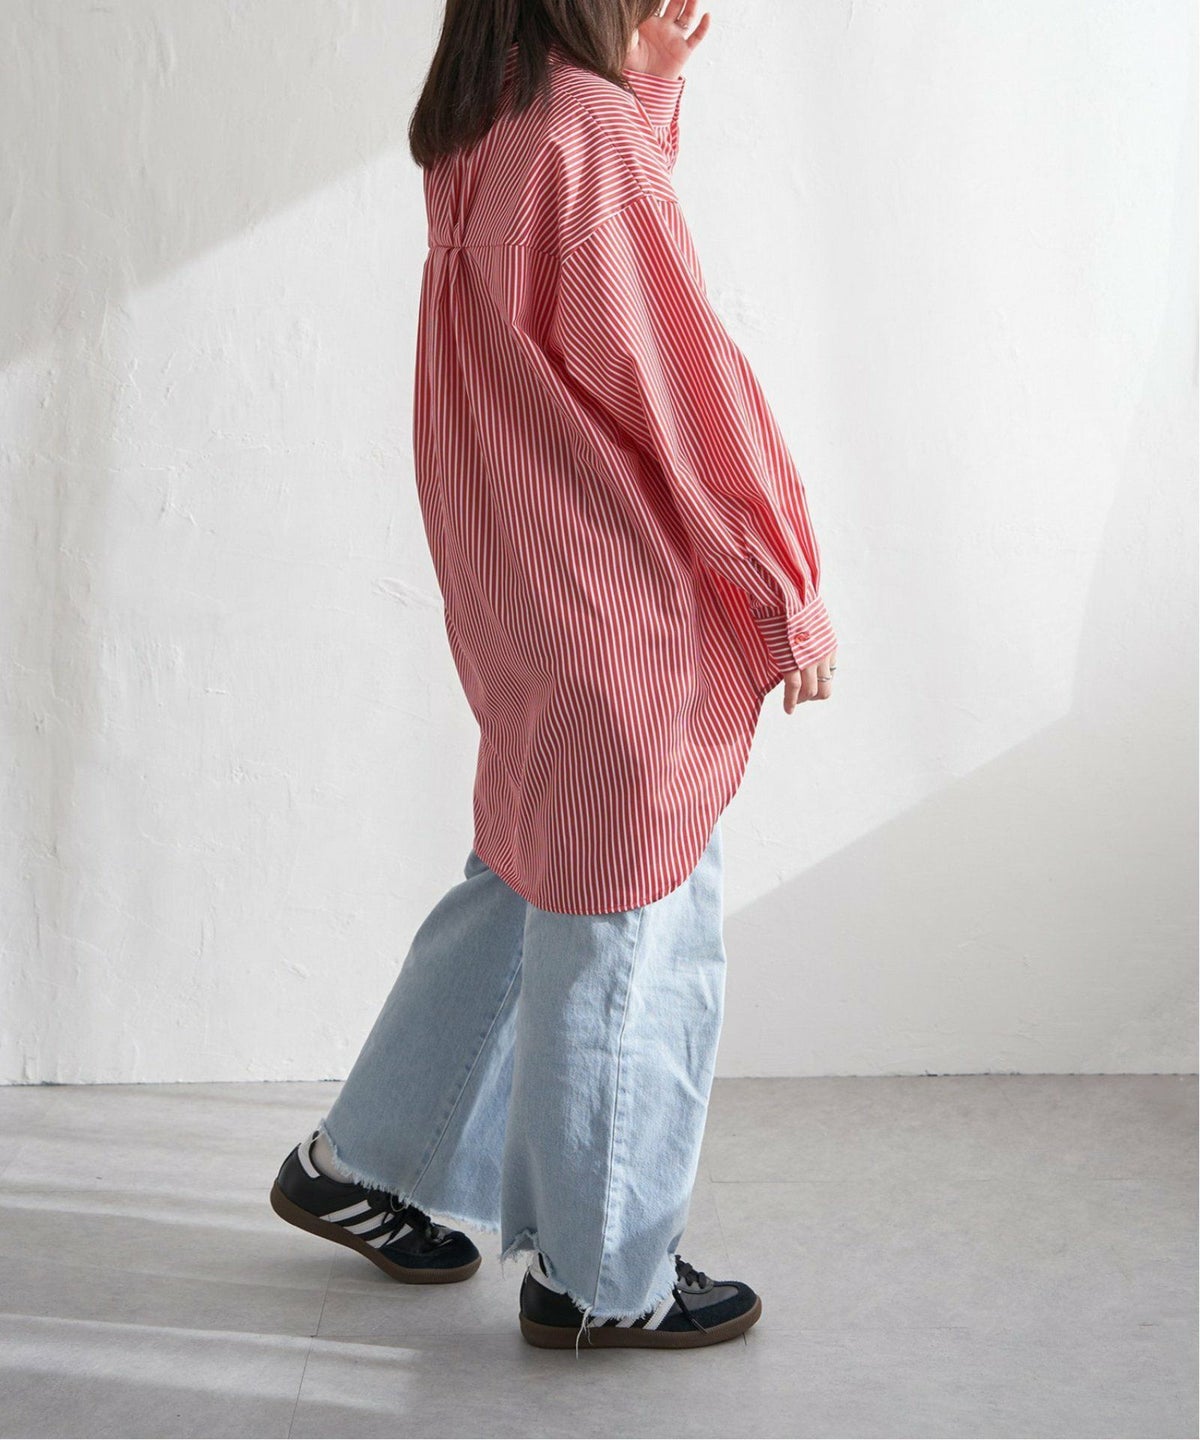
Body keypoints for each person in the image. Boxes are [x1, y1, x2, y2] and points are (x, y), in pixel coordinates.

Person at [269, 0, 838, 1353]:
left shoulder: (496, 111)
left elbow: (590, 283)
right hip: (612, 598)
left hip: (524, 587)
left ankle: (366, 1158)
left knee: (536, 872)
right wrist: (784, 579)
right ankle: (601, 1276)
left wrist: (642, 82)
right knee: (632, 924)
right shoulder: (581, 132)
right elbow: (671, 374)